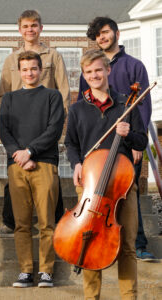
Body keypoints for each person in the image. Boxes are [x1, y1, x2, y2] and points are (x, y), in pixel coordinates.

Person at [65, 49, 148, 299]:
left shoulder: (127, 103)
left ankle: (129, 296)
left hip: (122, 187)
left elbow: (142, 141)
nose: (94, 75)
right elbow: (71, 143)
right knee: (88, 244)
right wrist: (76, 164)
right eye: (89, 72)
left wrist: (128, 134)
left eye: (99, 70)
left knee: (128, 247)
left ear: (108, 70)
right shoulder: (78, 109)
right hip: (90, 185)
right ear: (84, 75)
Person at [0, 9, 70, 238]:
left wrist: (57, 120)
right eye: (25, 26)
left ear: (40, 28)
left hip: (46, 123)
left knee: (51, 176)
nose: (30, 30)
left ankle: (58, 221)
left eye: (34, 25)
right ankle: (10, 223)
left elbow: (63, 91)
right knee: (13, 173)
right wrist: (8, 121)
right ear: (19, 29)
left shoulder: (53, 56)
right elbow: (3, 93)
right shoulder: (11, 59)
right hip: (17, 128)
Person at [77, 16, 155, 261]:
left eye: (105, 32)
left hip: (128, 141)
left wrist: (136, 140)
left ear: (117, 33)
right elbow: (83, 104)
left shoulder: (134, 65)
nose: (102, 37)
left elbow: (141, 105)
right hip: (100, 144)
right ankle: (100, 240)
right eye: (97, 34)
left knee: (127, 193)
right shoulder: (90, 66)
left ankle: (137, 244)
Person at [0, 51, 64, 288]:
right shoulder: (9, 99)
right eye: (25, 69)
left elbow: (54, 129)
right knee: (21, 223)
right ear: (19, 71)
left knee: (47, 221)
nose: (29, 73)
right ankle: (26, 271)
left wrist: (31, 152)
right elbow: (4, 131)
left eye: (34, 68)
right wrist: (20, 154)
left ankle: (46, 271)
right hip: (17, 165)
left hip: (45, 163)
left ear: (41, 70)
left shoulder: (52, 96)